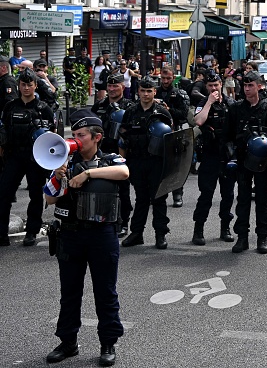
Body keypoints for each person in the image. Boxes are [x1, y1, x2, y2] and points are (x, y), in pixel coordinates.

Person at [43, 109, 128, 366]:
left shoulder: (110, 159)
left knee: (105, 292)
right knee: (69, 293)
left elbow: (123, 173)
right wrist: (61, 178)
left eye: (82, 135)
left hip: (102, 234)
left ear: (97, 137)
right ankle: (68, 342)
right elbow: (48, 198)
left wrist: (88, 173)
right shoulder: (63, 162)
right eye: (75, 134)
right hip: (70, 235)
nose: (76, 139)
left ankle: (107, 343)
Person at [0, 69, 55, 247]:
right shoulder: (10, 106)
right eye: (23, 84)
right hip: (13, 156)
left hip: (35, 158)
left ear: (35, 86)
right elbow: (3, 132)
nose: (26, 88)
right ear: (19, 85)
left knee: (35, 195)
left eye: (29, 84)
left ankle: (32, 231)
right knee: (4, 194)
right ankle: (1, 233)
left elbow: (52, 135)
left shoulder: (43, 109)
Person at [225, 71, 267, 254]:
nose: (246, 89)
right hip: (242, 161)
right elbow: (228, 136)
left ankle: (262, 237)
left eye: (250, 86)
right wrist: (230, 159)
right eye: (244, 86)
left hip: (263, 163)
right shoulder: (236, 109)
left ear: (259, 86)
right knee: (243, 200)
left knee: (262, 201)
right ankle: (242, 237)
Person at [119, 77, 174, 249]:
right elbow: (123, 137)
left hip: (156, 162)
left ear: (154, 92)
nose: (145, 94)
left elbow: (172, 140)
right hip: (136, 160)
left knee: (158, 199)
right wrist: (123, 163)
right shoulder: (131, 111)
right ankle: (136, 233)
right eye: (142, 90)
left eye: (149, 91)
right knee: (141, 199)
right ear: (138, 92)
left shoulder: (162, 112)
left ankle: (160, 234)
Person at [191, 71, 236, 246]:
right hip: (210, 156)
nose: (214, 88)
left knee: (228, 195)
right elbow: (198, 121)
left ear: (221, 84)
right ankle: (198, 230)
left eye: (216, 85)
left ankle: (225, 228)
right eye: (210, 86)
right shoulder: (203, 102)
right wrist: (209, 102)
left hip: (226, 156)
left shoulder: (231, 103)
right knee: (206, 195)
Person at [91, 73, 135, 238]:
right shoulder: (99, 106)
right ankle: (102, 219)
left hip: (120, 153)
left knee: (122, 191)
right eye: (109, 86)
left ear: (122, 87)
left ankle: (123, 223)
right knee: (100, 188)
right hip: (101, 153)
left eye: (115, 86)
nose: (111, 89)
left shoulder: (130, 106)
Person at [155, 66, 190, 207]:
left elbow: (183, 114)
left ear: (173, 77)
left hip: (175, 132)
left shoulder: (179, 93)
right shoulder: (154, 92)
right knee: (157, 165)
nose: (165, 81)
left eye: (168, 78)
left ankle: (177, 194)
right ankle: (157, 193)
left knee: (176, 166)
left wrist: (168, 109)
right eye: (163, 78)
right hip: (157, 133)